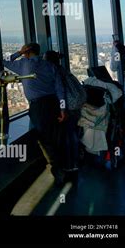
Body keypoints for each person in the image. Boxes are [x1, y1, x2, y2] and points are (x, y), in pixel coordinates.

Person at [3, 43, 66, 184]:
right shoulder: (50, 66)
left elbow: (4, 61)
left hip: (38, 106)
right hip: (53, 103)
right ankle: (61, 165)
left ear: (27, 51)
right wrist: (62, 108)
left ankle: (56, 169)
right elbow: (59, 88)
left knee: (42, 137)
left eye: (24, 49)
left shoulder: (24, 64)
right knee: (54, 135)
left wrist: (18, 53)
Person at [44, 50, 86, 182]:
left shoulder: (53, 72)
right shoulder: (63, 70)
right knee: (72, 134)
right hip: (75, 106)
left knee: (67, 137)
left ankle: (70, 165)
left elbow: (59, 92)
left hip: (68, 108)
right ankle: (74, 162)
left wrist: (62, 109)